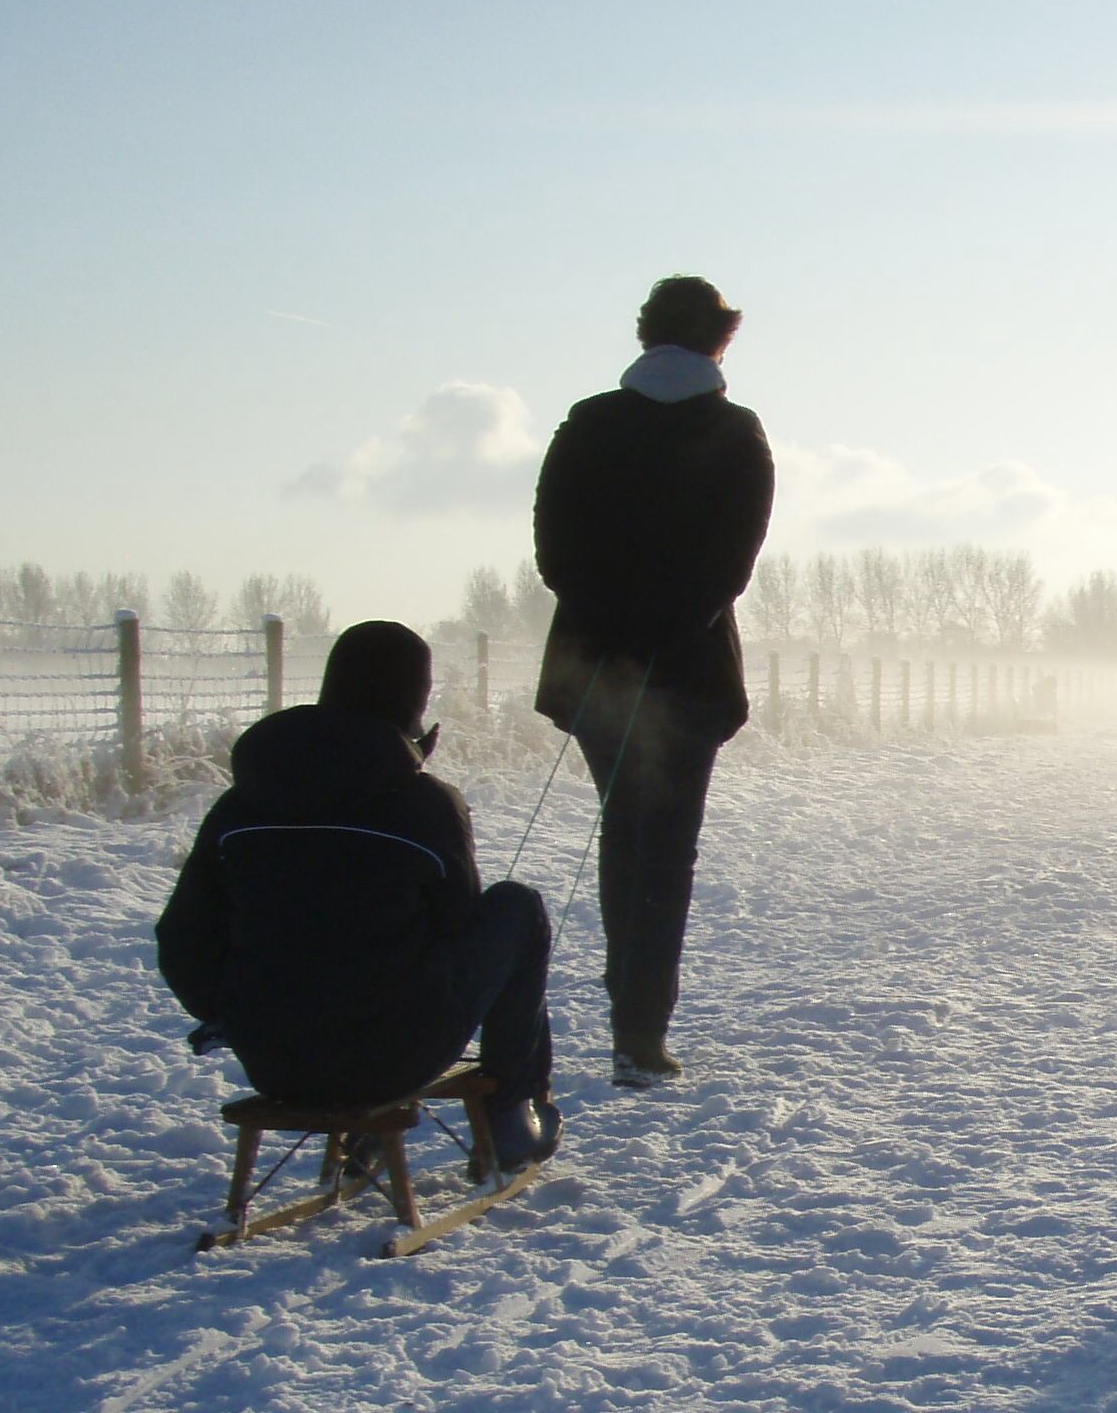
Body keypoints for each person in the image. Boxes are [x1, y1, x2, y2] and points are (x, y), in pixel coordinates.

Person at [157, 620, 557, 1168]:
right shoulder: (425, 805)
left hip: (273, 1060)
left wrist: (234, 1012)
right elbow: (456, 925)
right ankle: (509, 1113)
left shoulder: (239, 807)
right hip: (397, 1057)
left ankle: (369, 1121)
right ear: (416, 703)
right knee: (518, 906)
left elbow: (181, 938)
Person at [534, 274, 775, 1087]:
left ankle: (629, 1016)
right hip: (688, 671)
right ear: (720, 340)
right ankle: (640, 1033)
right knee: (666, 847)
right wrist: (667, 629)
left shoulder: (589, 422)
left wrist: (610, 628)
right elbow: (733, 561)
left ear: (645, 335)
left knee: (624, 831)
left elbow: (554, 551)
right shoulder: (735, 431)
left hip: (595, 665)